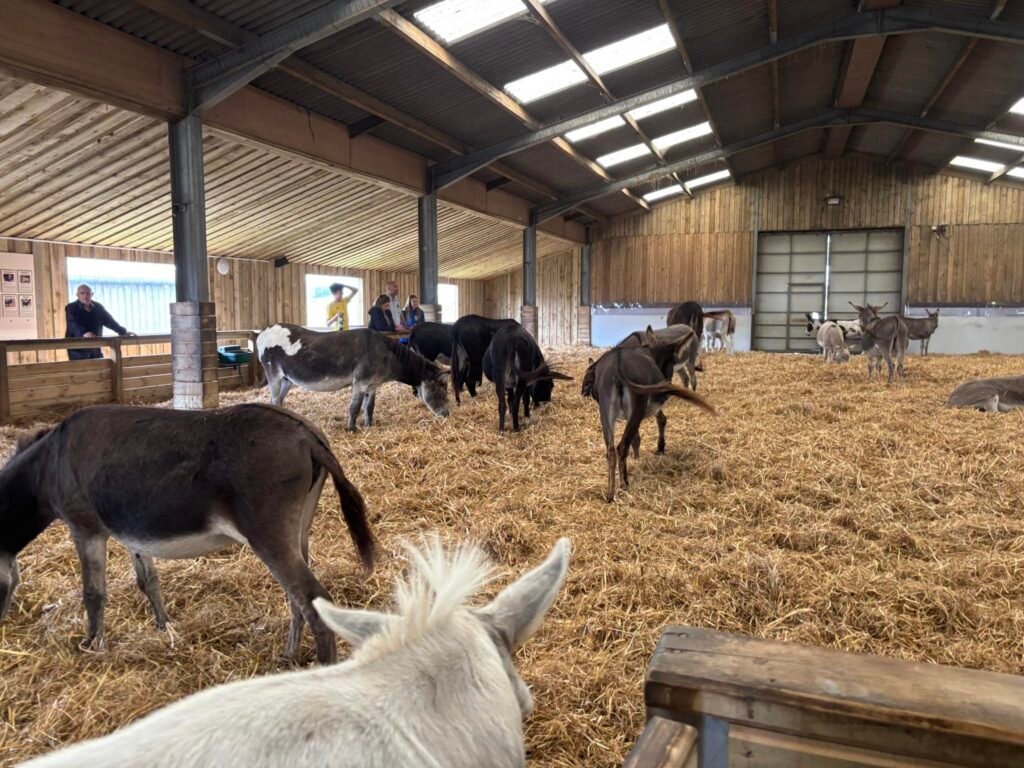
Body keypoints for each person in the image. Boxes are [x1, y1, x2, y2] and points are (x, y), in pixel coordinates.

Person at [64, 284, 134, 360]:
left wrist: (122, 331)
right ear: (77, 295)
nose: (85, 295)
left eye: (88, 293)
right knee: (81, 367)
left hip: (95, 347)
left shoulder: (98, 307)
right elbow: (73, 324)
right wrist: (84, 333)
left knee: (100, 366)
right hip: (77, 349)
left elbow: (109, 321)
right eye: (82, 293)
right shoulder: (71, 308)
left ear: (92, 294)